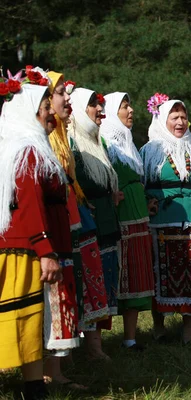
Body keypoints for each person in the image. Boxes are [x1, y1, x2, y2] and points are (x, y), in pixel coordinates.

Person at [0, 79, 66, 400]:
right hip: (19, 247)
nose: (46, 115)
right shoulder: (27, 150)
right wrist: (45, 250)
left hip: (10, 243)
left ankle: (33, 386)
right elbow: (29, 203)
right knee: (23, 315)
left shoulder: (10, 145)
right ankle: (33, 388)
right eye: (42, 110)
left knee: (22, 316)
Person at [140, 94, 191, 344]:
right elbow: (139, 183)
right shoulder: (150, 151)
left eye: (184, 117)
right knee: (161, 273)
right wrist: (147, 203)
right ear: (163, 119)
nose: (180, 122)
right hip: (163, 218)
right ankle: (159, 328)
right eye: (174, 117)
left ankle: (188, 333)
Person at [41, 70, 87, 390]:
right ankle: (48, 372)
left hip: (60, 221)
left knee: (62, 290)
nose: (66, 97)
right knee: (52, 293)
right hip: (46, 225)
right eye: (59, 93)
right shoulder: (43, 138)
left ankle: (55, 367)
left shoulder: (58, 136)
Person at [68, 88, 120, 360]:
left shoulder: (98, 142)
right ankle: (89, 347)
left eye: (100, 106)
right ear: (79, 109)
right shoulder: (72, 142)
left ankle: (96, 345)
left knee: (102, 284)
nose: (101, 111)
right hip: (88, 224)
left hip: (106, 222)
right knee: (88, 284)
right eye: (93, 106)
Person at [100, 92, 154, 351]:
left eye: (130, 105)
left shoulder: (128, 143)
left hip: (137, 213)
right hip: (119, 217)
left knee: (135, 274)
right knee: (117, 274)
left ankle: (130, 339)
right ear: (112, 111)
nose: (131, 110)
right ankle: (99, 342)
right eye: (124, 106)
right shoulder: (104, 143)